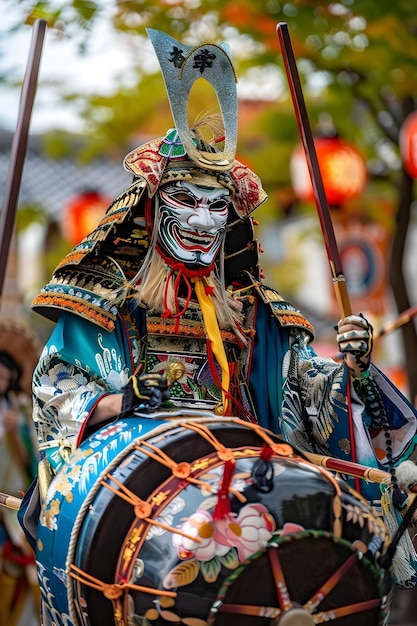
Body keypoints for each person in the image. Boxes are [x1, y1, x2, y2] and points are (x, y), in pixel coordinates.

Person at [25, 29, 417, 593]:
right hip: (141, 500)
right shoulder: (104, 299)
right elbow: (54, 392)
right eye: (185, 201)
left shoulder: (253, 310)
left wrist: (350, 373)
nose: (204, 221)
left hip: (250, 488)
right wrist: (119, 401)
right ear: (150, 206)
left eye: (216, 206)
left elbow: (305, 399)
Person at [0, 321, 40, 625]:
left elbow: (33, 459)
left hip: (9, 502)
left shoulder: (19, 411)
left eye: (3, 377)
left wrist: (18, 433)